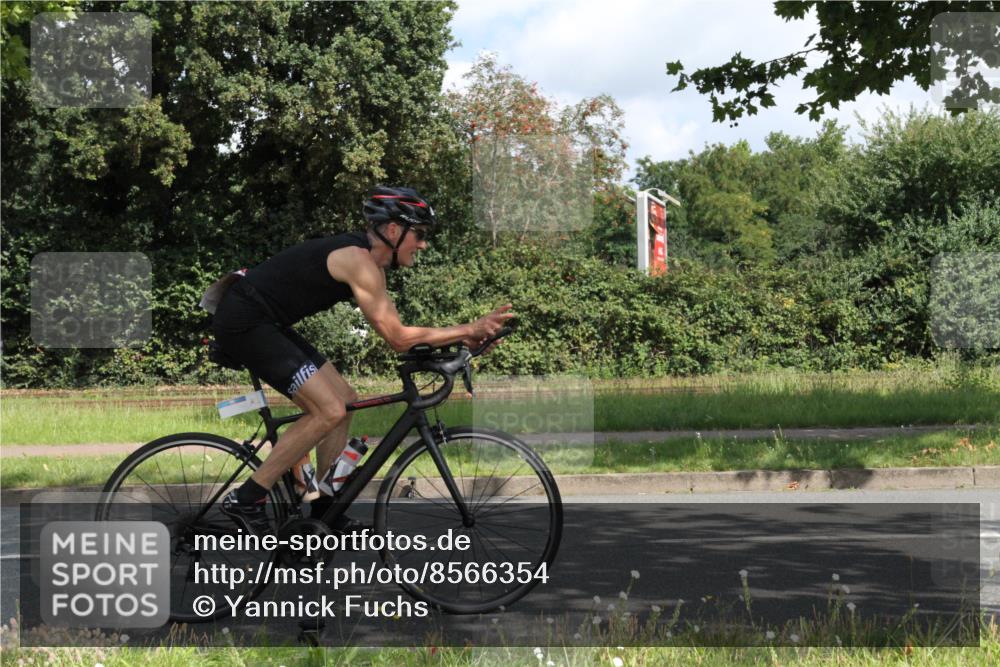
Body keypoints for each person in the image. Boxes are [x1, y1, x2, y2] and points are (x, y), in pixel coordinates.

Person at [211, 186, 513, 535]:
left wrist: (465, 338)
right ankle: (247, 497)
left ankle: (323, 511)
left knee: (346, 403)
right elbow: (398, 338)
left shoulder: (373, 268)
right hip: (245, 322)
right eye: (419, 234)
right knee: (328, 410)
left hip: (264, 320)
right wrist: (466, 329)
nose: (423, 244)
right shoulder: (358, 261)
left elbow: (402, 336)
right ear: (395, 231)